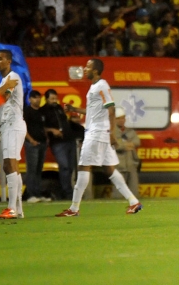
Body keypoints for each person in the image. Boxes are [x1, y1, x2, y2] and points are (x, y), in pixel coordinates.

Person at [56, 59, 142, 217]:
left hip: (97, 133)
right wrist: (75, 109)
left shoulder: (102, 85)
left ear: (95, 70)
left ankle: (74, 209)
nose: (85, 69)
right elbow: (95, 112)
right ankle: (134, 202)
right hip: (98, 132)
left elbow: (111, 108)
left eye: (88, 66)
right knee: (109, 169)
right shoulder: (94, 87)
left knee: (83, 167)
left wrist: (111, 133)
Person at [0, 50, 28, 219]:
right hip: (8, 126)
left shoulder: (13, 77)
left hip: (14, 126)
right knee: (10, 165)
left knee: (9, 164)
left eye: (0, 58)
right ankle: (18, 210)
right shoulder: (4, 80)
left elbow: (5, 96)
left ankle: (11, 208)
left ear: (8, 61)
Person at [41, 89, 76, 200]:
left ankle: (68, 190)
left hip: (69, 141)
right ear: (46, 99)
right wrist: (52, 130)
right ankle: (67, 193)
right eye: (52, 99)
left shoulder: (59, 108)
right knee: (64, 167)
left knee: (71, 167)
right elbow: (40, 128)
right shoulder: (43, 111)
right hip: (57, 143)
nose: (55, 101)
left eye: (56, 98)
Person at [24, 90, 50, 203]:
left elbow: (43, 127)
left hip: (42, 143)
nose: (37, 100)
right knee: (32, 170)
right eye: (35, 98)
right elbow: (23, 128)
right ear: (30, 99)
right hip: (32, 144)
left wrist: (46, 138)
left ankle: (38, 193)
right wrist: (31, 140)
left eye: (39, 97)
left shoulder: (41, 112)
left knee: (39, 170)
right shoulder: (27, 111)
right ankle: (30, 194)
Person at [113, 107, 140, 198]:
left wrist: (124, 144)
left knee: (134, 190)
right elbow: (113, 145)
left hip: (131, 164)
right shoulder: (111, 132)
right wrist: (125, 145)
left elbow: (137, 142)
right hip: (118, 165)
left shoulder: (130, 131)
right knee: (118, 192)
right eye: (118, 118)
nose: (121, 120)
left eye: (123, 118)